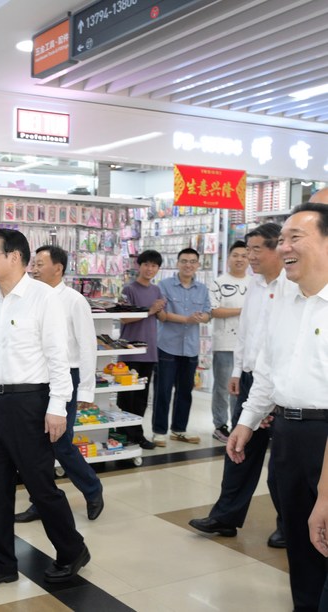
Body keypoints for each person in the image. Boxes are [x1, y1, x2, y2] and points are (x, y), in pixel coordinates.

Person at [0, 229, 88, 593]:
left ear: (15, 258)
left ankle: (72, 550)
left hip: (30, 404)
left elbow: (58, 357)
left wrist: (57, 408)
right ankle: (1, 563)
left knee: (40, 484)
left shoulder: (43, 298)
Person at [228, 200, 328, 612]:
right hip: (287, 432)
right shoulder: (283, 300)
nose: (283, 246)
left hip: (325, 437)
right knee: (300, 538)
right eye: (281, 238)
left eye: (295, 237)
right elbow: (267, 371)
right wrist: (248, 422)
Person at [188, 224, 285, 546]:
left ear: (277, 249)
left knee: (284, 462)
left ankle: (288, 524)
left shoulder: (291, 285)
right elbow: (247, 332)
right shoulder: (255, 286)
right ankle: (225, 516)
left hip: (281, 385)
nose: (250, 257)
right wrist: (238, 371)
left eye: (256, 250)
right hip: (250, 378)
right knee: (239, 447)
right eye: (246, 251)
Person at [14, 245, 103, 524]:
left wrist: (86, 389)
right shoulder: (29, 298)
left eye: (40, 264)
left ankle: (92, 489)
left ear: (59, 268)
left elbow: (88, 347)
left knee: (60, 442)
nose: (34, 269)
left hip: (68, 376)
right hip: (37, 379)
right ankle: (40, 501)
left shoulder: (74, 301)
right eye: (34, 264)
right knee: (35, 446)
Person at [152, 247, 211, 446]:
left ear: (197, 265)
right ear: (177, 263)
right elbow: (162, 314)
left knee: (185, 392)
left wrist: (201, 317)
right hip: (167, 346)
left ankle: (179, 429)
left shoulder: (202, 289)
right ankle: (159, 431)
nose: (188, 265)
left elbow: (208, 313)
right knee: (163, 391)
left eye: (192, 261)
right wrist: (187, 319)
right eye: (184, 261)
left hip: (191, 348)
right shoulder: (164, 285)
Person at [116, 250, 166, 448]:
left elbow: (162, 317)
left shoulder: (156, 291)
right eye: (146, 264)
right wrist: (149, 310)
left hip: (149, 352)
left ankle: (136, 433)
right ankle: (123, 433)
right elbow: (124, 317)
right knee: (126, 396)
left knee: (142, 398)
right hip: (130, 351)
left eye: (154, 266)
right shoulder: (129, 290)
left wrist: (160, 310)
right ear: (139, 265)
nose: (150, 269)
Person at [209, 241, 249, 443]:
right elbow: (214, 310)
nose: (240, 259)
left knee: (242, 387)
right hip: (225, 343)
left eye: (244, 255)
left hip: (249, 345)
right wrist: (245, 311)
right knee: (223, 386)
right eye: (236, 255)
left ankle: (238, 424)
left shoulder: (255, 283)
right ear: (229, 259)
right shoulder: (218, 282)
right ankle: (220, 425)